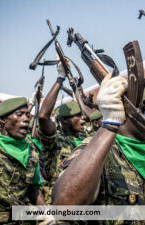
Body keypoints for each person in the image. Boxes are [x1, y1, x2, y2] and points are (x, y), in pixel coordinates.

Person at [52, 22, 145, 225]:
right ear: (126, 111)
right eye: (144, 107)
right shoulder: (97, 152)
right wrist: (110, 122)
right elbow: (64, 206)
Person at [0, 97, 45, 224]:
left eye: (28, 115)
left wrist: (47, 214)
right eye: (20, 114)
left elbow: (34, 190)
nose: (27, 119)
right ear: (3, 120)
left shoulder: (32, 152)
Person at [37, 58, 88, 204]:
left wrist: (77, 91)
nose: (83, 119)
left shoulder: (88, 138)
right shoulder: (55, 141)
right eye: (77, 116)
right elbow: (42, 116)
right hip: (59, 204)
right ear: (63, 120)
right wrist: (61, 77)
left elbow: (90, 116)